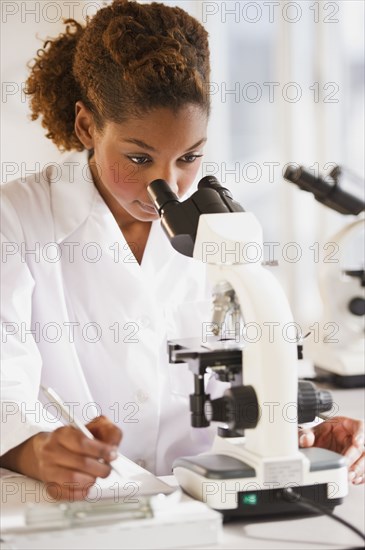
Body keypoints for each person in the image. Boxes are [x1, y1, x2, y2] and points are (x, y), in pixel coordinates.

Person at [0, 0, 363, 501]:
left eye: (189, 157)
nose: (164, 184)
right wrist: (37, 450)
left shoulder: (221, 223)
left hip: (200, 499)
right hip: (84, 506)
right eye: (138, 157)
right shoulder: (15, 218)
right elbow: (3, 384)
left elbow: (255, 348)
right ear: (87, 127)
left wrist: (301, 426)